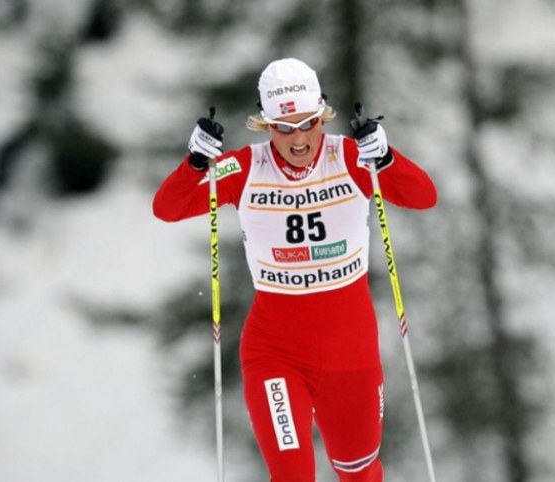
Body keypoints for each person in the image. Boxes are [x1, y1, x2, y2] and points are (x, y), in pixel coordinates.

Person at [152, 58, 437, 482]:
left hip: (351, 356)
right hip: (276, 354)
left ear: (323, 116)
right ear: (266, 126)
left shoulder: (355, 157)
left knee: (359, 473)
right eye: (285, 128)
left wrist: (389, 158)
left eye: (308, 123)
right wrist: (195, 162)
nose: (299, 139)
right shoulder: (244, 168)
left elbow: (423, 197)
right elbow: (168, 207)